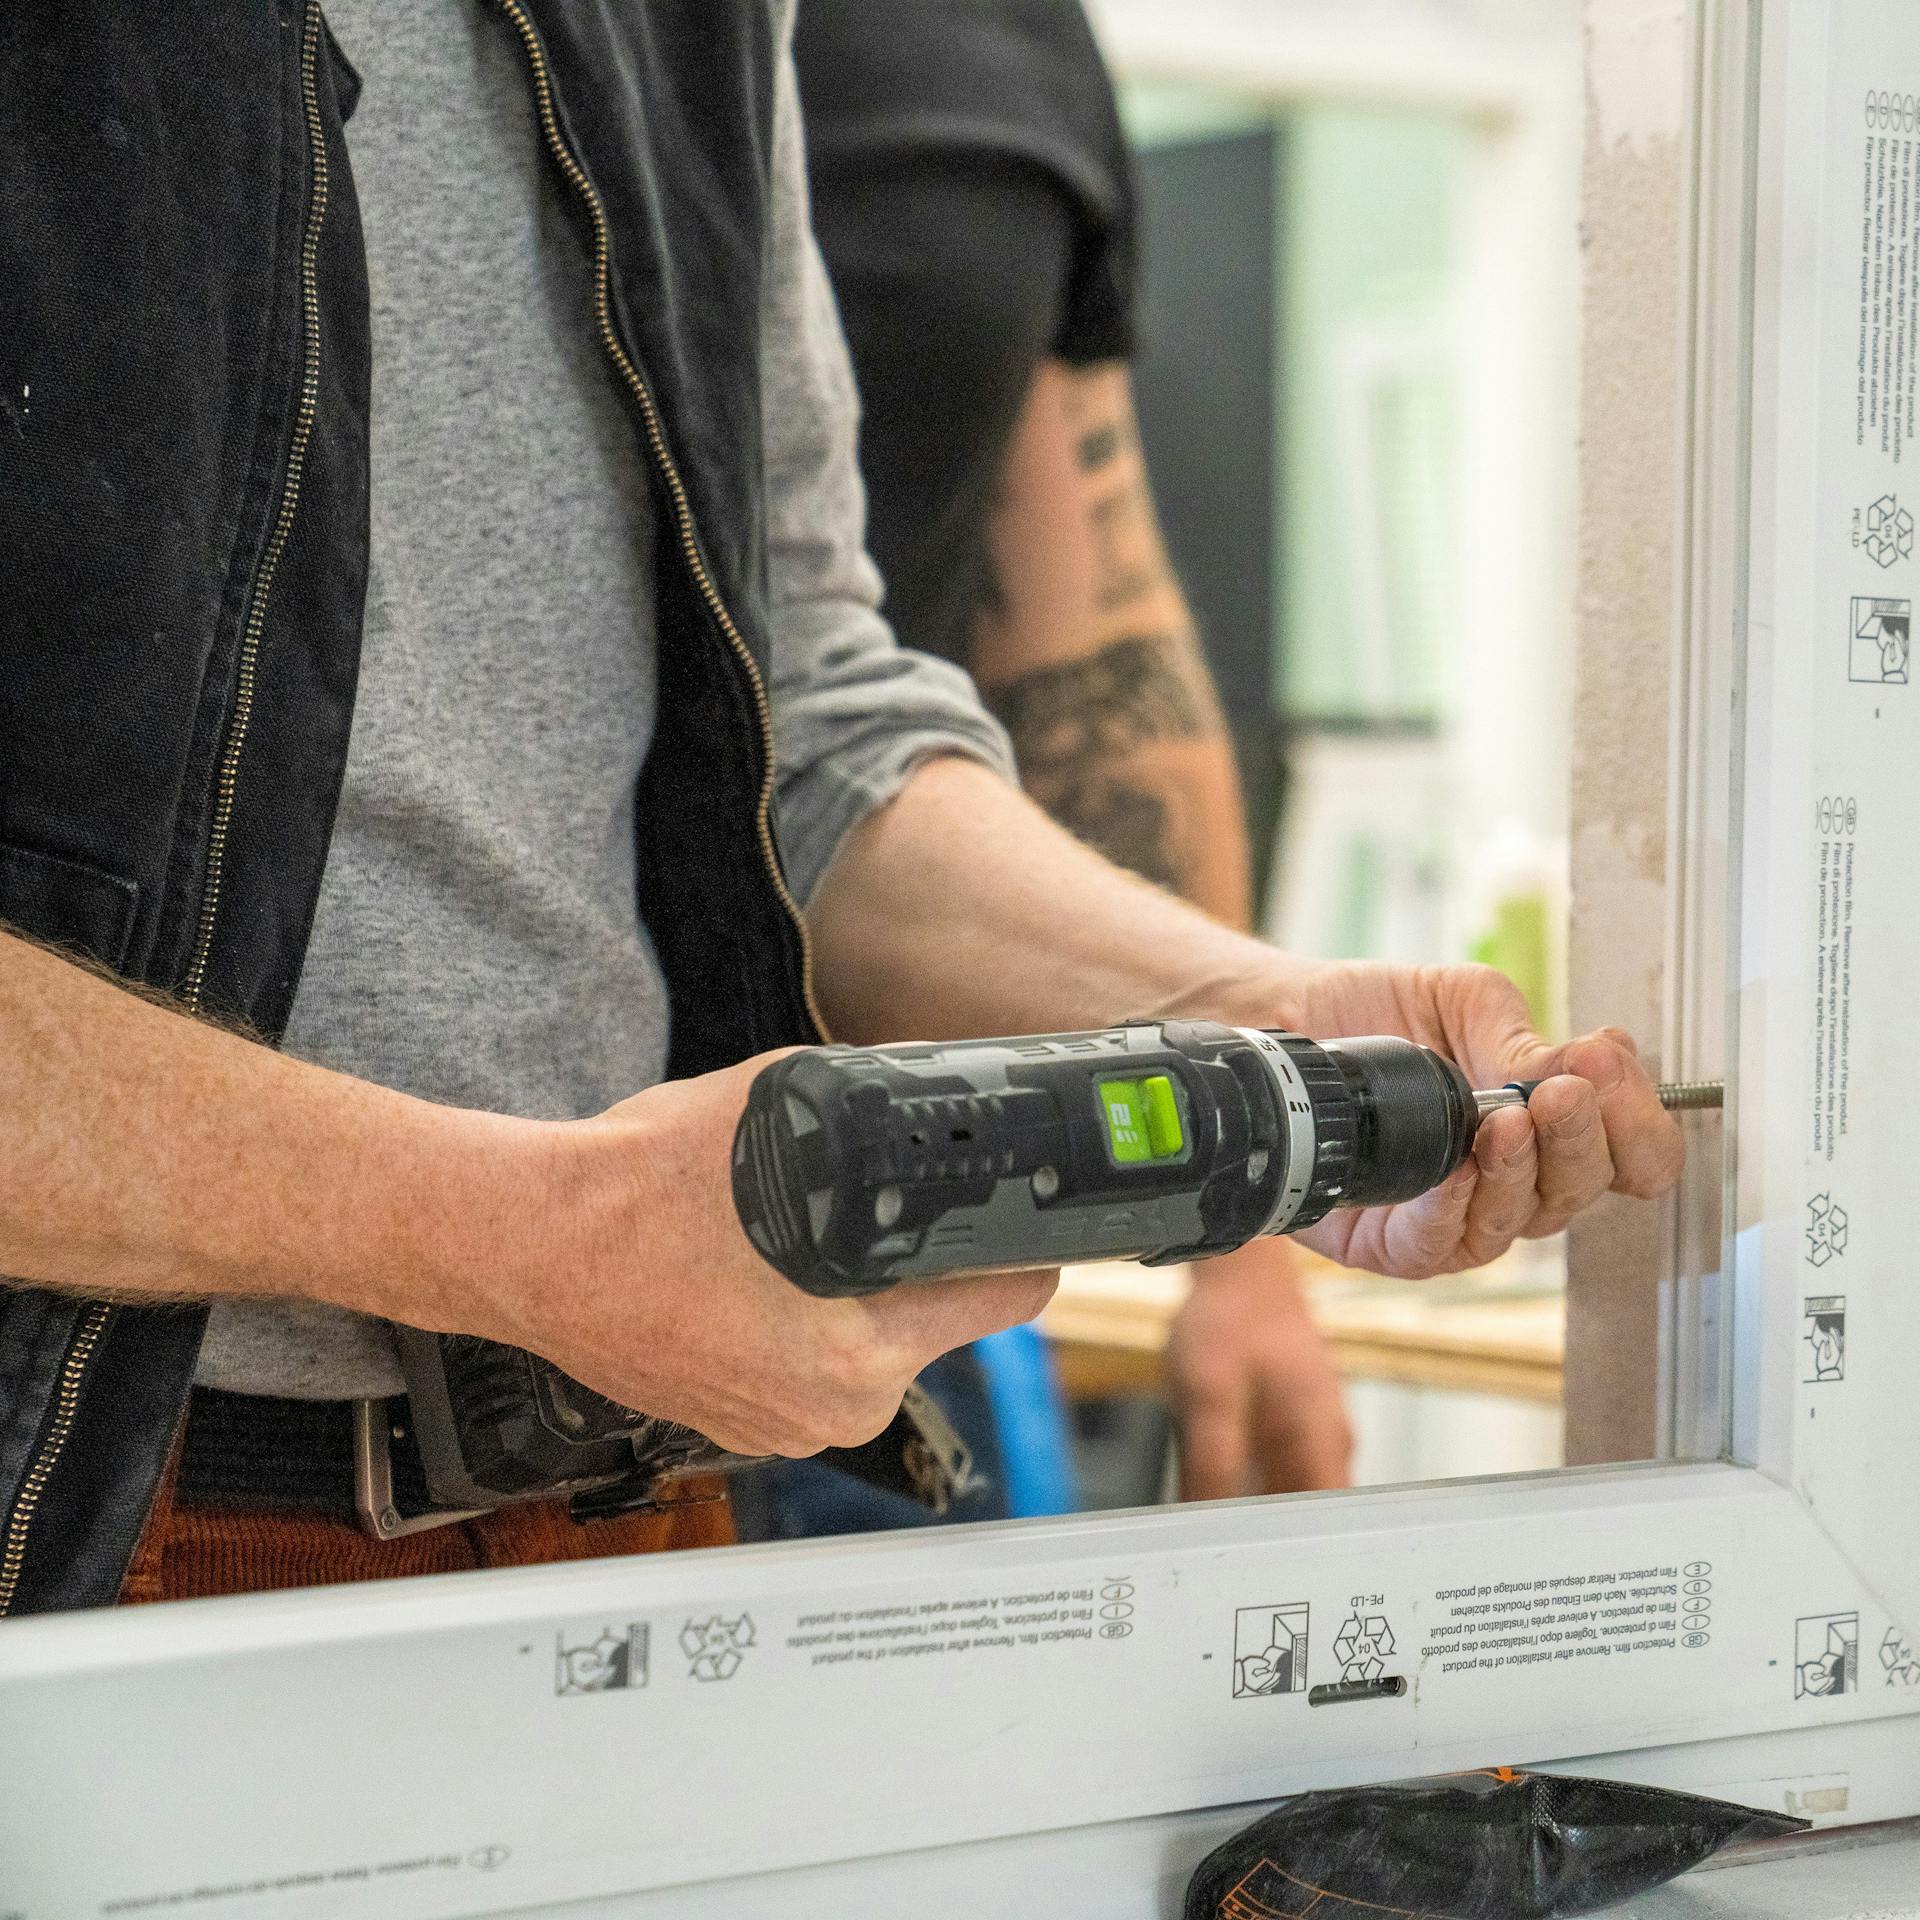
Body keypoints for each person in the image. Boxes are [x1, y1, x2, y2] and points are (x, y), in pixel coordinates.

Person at [0, 0, 1684, 1617]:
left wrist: (1263, 1024)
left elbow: (802, 722)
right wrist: (520, 1230)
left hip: (636, 1502)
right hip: (85, 1528)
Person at [742, 0, 1350, 1540]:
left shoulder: (1006, 43)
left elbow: (1095, 678)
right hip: (419, 1288)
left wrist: (1260, 1206)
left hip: (909, 1246)